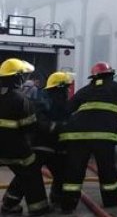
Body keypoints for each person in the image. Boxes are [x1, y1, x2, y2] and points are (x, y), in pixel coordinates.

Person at [59, 61, 117, 213]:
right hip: (103, 138)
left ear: (93, 77)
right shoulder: (114, 87)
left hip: (77, 136)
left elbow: (68, 108)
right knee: (107, 169)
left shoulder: (85, 90)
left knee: (75, 170)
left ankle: (68, 205)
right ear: (110, 75)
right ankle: (110, 201)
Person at [4, 71, 72, 208]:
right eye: (66, 88)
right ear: (60, 87)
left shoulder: (61, 101)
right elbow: (40, 122)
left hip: (56, 146)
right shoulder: (43, 100)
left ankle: (56, 197)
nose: (68, 91)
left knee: (61, 172)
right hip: (41, 145)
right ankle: (11, 201)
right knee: (29, 175)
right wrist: (58, 127)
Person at [0, 58, 50, 216]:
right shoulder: (21, 100)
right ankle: (38, 208)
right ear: (18, 77)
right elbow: (31, 127)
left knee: (23, 173)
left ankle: (10, 203)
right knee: (32, 170)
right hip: (16, 150)